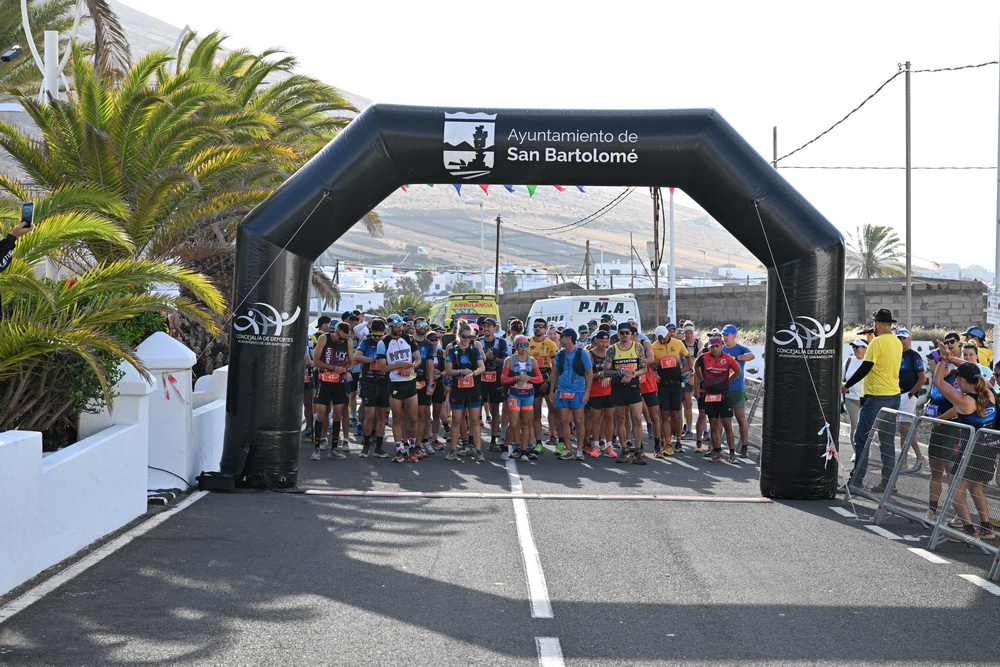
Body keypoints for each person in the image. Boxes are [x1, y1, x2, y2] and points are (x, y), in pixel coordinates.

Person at [929, 351, 998, 541]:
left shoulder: (964, 401)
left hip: (971, 450)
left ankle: (969, 531)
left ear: (961, 379)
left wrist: (943, 359)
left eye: (958, 378)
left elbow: (938, 381)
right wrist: (952, 359)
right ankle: (986, 528)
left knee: (955, 491)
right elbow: (975, 371)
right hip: (989, 448)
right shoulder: (989, 391)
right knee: (975, 488)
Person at [841, 309, 902, 494]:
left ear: (877, 324)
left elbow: (866, 367)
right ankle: (888, 484)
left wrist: (847, 385)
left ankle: (856, 482)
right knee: (887, 442)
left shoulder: (877, 342)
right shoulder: (896, 342)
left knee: (862, 438)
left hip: (876, 397)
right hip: (893, 396)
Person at [377, 315, 422, 463]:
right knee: (397, 418)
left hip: (410, 382)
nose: (400, 328)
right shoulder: (383, 343)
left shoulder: (409, 338)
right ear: (390, 326)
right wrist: (400, 365)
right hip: (395, 383)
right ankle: (399, 450)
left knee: (413, 418)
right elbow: (382, 367)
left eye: (401, 325)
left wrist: (412, 367)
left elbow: (418, 358)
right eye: (397, 326)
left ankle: (412, 448)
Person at [605, 322, 648, 464]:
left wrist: (632, 374)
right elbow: (606, 371)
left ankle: (637, 452)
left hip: (633, 386)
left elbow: (644, 368)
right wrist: (620, 372)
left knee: (637, 418)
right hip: (618, 387)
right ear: (618, 334)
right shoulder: (612, 349)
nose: (624, 335)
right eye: (622, 333)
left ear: (631, 334)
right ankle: (624, 451)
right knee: (621, 418)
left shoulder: (638, 347)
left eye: (627, 333)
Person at [694, 336, 742, 463]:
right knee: (713, 425)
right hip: (710, 395)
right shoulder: (703, 357)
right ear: (709, 347)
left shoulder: (728, 358)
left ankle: (732, 453)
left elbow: (738, 371)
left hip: (724, 395)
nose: (714, 349)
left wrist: (727, 380)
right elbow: (695, 366)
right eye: (712, 347)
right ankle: (717, 451)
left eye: (717, 346)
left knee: (727, 424)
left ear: (721, 346)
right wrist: (701, 380)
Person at [310, 322, 353, 460]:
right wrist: (333, 367)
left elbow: (351, 362)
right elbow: (316, 361)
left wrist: (347, 371)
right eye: (341, 338)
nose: (343, 341)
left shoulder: (348, 341)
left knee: (338, 414)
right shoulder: (324, 338)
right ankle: (317, 448)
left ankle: (334, 448)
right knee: (321, 414)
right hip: (324, 380)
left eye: (346, 338)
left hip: (340, 382)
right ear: (335, 332)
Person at [444, 324, 486, 461]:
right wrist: (461, 371)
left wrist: (472, 373)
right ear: (459, 336)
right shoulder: (452, 350)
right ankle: (453, 450)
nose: (467, 340)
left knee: (475, 420)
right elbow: (448, 370)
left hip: (473, 388)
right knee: (456, 420)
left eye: (470, 337)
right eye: (464, 337)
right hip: (458, 388)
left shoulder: (474, 350)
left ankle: (478, 450)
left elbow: (482, 367)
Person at [550, 328, 593, 461]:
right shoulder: (560, 354)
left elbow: (590, 373)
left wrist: (587, 392)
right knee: (564, 421)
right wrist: (552, 390)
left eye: (562, 336)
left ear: (569, 338)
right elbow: (555, 372)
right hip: (563, 390)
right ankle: (568, 449)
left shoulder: (582, 353)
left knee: (579, 421)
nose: (560, 338)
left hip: (578, 391)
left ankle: (579, 450)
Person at [501, 335, 543, 460]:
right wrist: (516, 377)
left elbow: (539, 379)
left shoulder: (532, 361)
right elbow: (503, 379)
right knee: (514, 423)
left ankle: (524, 450)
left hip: (528, 394)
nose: (524, 347)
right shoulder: (510, 360)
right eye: (521, 345)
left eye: (526, 345)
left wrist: (529, 378)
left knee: (526, 423)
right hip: (514, 394)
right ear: (516, 346)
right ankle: (505, 446)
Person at [652, 324, 690, 457]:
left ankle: (670, 437)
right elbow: (649, 363)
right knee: (664, 414)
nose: (661, 340)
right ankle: (667, 444)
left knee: (675, 414)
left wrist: (685, 370)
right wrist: (654, 373)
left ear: (668, 334)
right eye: (659, 339)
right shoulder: (653, 347)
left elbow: (688, 357)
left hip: (676, 383)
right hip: (662, 384)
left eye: (663, 338)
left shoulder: (678, 343)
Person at [355, 319, 390, 458]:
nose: (376, 338)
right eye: (374, 335)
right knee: (369, 415)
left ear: (384, 332)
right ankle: (366, 445)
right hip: (369, 381)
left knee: (381, 416)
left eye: (379, 335)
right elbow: (357, 356)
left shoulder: (388, 342)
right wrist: (374, 360)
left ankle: (379, 447)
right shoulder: (366, 342)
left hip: (384, 382)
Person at [720, 324, 755, 458]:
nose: (725, 338)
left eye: (727, 335)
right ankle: (723, 447)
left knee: (741, 419)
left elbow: (751, 355)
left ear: (734, 335)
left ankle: (744, 446)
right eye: (724, 335)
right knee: (724, 419)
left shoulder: (740, 349)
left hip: (738, 389)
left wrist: (735, 358)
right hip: (724, 389)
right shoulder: (721, 349)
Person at [895, 329, 927, 474]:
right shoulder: (894, 353)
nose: (901, 341)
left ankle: (920, 457)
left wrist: (911, 393)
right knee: (902, 429)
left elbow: (922, 378)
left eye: (904, 338)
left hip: (908, 395)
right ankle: (904, 462)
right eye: (899, 338)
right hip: (896, 393)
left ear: (909, 339)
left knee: (905, 428)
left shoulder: (914, 355)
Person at [528, 317, 559, 454]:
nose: (538, 328)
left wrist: (548, 383)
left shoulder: (551, 344)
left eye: (541, 326)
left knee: (553, 408)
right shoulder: (527, 342)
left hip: (547, 377)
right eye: (536, 326)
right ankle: (538, 441)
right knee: (536, 412)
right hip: (533, 377)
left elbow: (555, 368)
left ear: (545, 329)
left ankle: (553, 435)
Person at [585, 330, 616, 457]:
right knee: (595, 419)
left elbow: (617, 371)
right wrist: (600, 374)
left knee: (610, 418)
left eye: (606, 341)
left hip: (609, 390)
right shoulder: (590, 354)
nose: (604, 344)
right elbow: (587, 375)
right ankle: (596, 445)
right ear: (595, 341)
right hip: (595, 391)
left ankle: (609, 445)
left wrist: (608, 376)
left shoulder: (611, 352)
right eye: (601, 341)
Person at [479, 318, 509, 451]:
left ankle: (493, 439)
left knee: (495, 409)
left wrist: (493, 358)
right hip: (481, 378)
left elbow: (506, 361)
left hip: (496, 378)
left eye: (488, 326)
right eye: (484, 326)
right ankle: (472, 440)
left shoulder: (501, 342)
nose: (486, 329)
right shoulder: (478, 342)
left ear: (494, 328)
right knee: (476, 408)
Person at [413, 319, 437, 455]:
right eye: (419, 325)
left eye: (425, 325)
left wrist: (430, 384)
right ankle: (407, 444)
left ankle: (418, 444)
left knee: (422, 414)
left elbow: (430, 365)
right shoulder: (408, 341)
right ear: (414, 326)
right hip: (407, 381)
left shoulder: (428, 344)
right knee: (409, 415)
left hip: (422, 382)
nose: (422, 327)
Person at [843, 339, 868, 453]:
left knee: (867, 426)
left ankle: (866, 450)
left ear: (865, 348)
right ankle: (857, 452)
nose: (854, 349)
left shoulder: (870, 361)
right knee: (855, 426)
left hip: (868, 399)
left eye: (857, 347)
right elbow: (841, 380)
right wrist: (842, 397)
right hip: (851, 398)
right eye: (853, 347)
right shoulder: (848, 361)